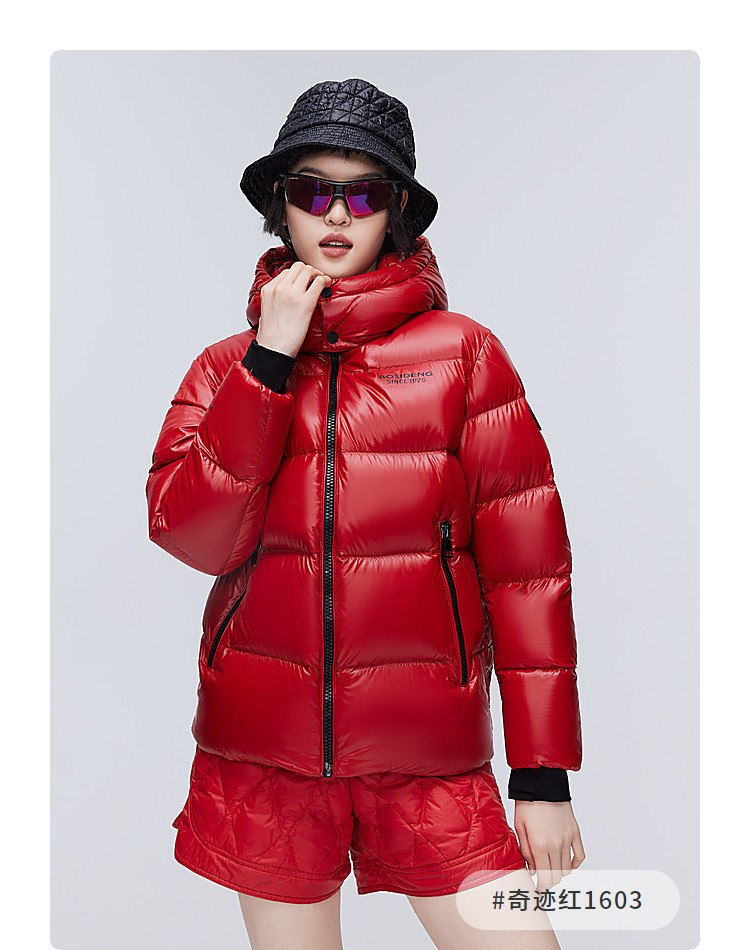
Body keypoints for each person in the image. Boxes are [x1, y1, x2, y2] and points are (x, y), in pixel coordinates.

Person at [146, 77, 585, 949]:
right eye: (313, 191)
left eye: (365, 193)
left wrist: (541, 777)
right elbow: (195, 537)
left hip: (430, 759)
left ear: (398, 212)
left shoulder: (466, 357)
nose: (338, 214)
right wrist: (269, 365)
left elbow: (528, 575)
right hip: (264, 757)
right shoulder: (226, 368)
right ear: (280, 206)